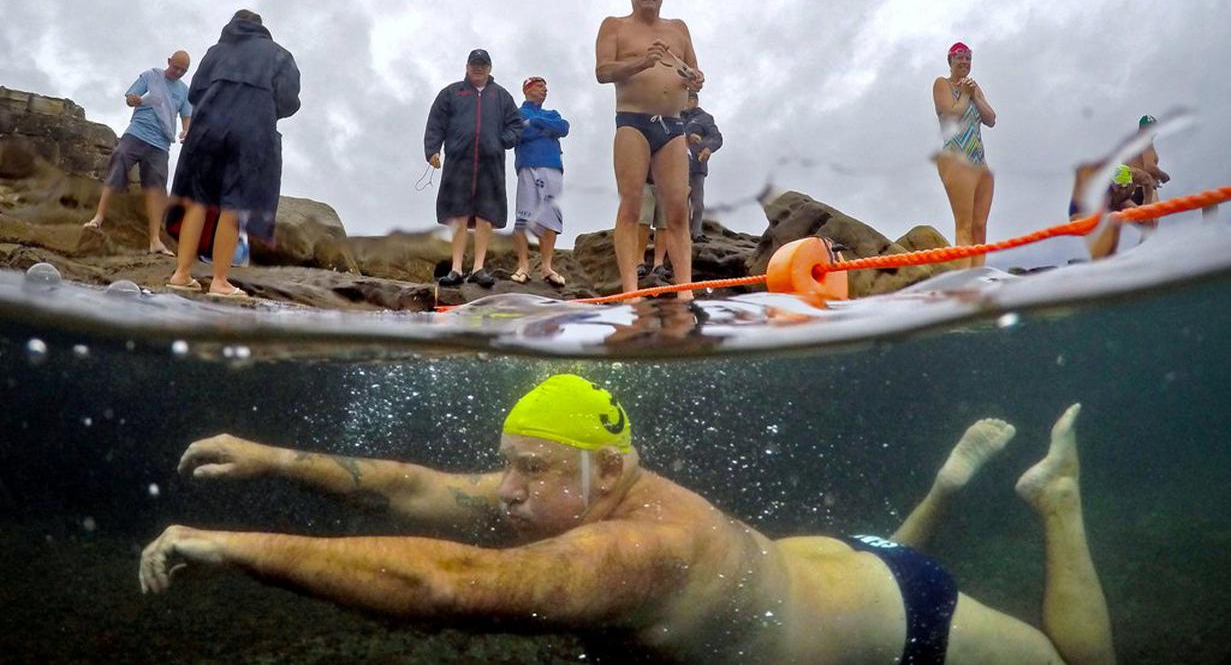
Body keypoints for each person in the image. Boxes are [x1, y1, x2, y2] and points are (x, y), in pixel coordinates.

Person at [141, 374, 1114, 665]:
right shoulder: (574, 488)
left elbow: (444, 583)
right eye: (507, 463)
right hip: (826, 567)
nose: (505, 490)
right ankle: (940, 487)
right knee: (878, 549)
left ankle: (1055, 502)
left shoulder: (642, 550)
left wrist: (233, 544)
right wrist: (272, 457)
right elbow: (410, 488)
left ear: (607, 468)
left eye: (529, 468)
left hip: (906, 613)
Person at [167, 10, 300, 298]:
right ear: (261, 28)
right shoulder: (279, 55)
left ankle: (181, 274)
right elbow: (289, 99)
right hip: (250, 132)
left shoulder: (216, 52)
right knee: (234, 204)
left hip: (207, 129)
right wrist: (264, 109)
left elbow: (195, 94)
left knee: (198, 200)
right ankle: (220, 281)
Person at [596, 0, 704, 299]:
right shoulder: (615, 25)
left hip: (672, 126)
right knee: (631, 204)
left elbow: (694, 72)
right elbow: (602, 72)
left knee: (676, 209)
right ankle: (631, 290)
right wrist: (642, 62)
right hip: (632, 122)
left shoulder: (678, 28)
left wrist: (696, 79)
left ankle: (684, 290)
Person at [424, 49, 523, 289]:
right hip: (459, 161)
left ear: (490, 68)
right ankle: (456, 269)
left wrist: (503, 140)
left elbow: (516, 125)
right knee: (458, 216)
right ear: (467, 66)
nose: (478, 68)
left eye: (483, 65)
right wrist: (432, 150)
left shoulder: (501, 96)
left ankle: (479, 267)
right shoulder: (451, 93)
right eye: (474, 64)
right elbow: (436, 122)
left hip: (490, 163)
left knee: (485, 216)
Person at [83, 51, 193, 256]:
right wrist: (133, 100)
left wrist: (186, 130)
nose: (177, 72)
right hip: (136, 133)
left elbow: (186, 114)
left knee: (156, 189)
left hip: (161, 143)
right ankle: (98, 218)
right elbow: (130, 98)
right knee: (118, 166)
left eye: (183, 70)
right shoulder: (150, 76)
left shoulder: (184, 91)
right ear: (168, 62)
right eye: (175, 67)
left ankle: (155, 240)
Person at [933, 42, 996, 269]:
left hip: (979, 161)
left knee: (980, 225)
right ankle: (965, 278)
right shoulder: (943, 84)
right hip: (956, 158)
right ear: (950, 61)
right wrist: (966, 95)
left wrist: (975, 96)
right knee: (964, 224)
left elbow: (991, 119)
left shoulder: (973, 87)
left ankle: (979, 274)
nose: (965, 62)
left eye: (968, 58)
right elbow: (951, 115)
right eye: (960, 58)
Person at [511, 76, 569, 288]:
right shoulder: (518, 113)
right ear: (527, 89)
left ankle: (546, 266)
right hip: (528, 166)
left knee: (551, 218)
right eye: (539, 86)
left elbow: (563, 127)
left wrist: (536, 122)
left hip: (552, 166)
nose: (545, 90)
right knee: (523, 216)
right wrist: (545, 130)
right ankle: (523, 265)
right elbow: (521, 134)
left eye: (546, 86)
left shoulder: (551, 114)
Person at [682, 90, 722, 241]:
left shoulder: (705, 118)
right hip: (676, 164)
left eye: (688, 99)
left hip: (697, 165)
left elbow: (716, 138)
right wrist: (687, 137)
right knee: (680, 201)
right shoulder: (674, 115)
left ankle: (696, 233)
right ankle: (682, 234)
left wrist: (707, 148)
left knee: (697, 202)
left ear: (695, 101)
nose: (684, 102)